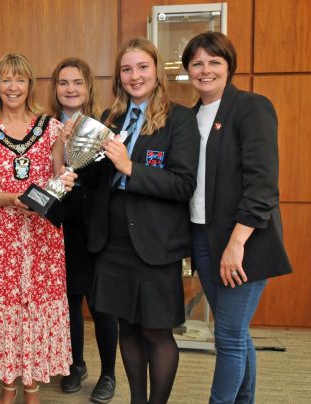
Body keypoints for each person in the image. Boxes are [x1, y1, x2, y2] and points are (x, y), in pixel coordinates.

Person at [86, 38, 199, 404]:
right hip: (113, 242)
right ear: (119, 76)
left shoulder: (180, 119)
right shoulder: (110, 119)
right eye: (127, 69)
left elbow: (182, 184)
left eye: (142, 67)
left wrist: (129, 167)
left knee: (156, 332)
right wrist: (78, 164)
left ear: (157, 70)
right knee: (127, 327)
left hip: (155, 243)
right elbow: (100, 179)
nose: (135, 76)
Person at [182, 31, 292, 404]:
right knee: (236, 333)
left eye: (214, 61)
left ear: (229, 66)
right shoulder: (190, 117)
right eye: (197, 63)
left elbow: (262, 184)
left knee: (227, 337)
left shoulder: (251, 107)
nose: (205, 69)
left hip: (243, 241)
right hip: (203, 239)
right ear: (187, 71)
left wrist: (236, 244)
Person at [0, 53, 76, 404]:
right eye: (6, 79)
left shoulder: (52, 128)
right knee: (7, 306)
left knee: (36, 305)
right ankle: (8, 387)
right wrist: (7, 198)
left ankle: (32, 389)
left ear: (30, 84)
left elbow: (60, 178)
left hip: (43, 236)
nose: (13, 87)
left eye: (20, 79)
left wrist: (65, 181)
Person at [49, 57, 118, 403]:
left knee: (102, 304)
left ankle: (108, 373)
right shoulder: (46, 127)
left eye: (77, 82)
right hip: (61, 228)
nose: (70, 89)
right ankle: (75, 365)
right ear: (55, 88)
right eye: (63, 83)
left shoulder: (105, 126)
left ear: (88, 86)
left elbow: (103, 175)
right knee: (70, 302)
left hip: (98, 226)